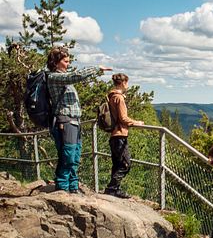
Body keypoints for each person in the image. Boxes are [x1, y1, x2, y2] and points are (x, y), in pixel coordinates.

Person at [46, 46, 111, 193]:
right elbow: (74, 76)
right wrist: (97, 68)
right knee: (68, 154)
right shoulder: (54, 77)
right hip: (65, 120)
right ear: (56, 62)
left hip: (74, 121)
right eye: (65, 61)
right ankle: (62, 186)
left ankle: (73, 186)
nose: (68, 64)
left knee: (75, 154)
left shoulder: (62, 79)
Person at [103, 73, 144, 198]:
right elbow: (123, 118)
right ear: (122, 83)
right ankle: (112, 188)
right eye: (127, 82)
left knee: (117, 163)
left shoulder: (110, 96)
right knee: (125, 164)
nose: (127, 85)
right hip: (120, 134)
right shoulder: (119, 98)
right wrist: (136, 122)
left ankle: (115, 189)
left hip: (114, 135)